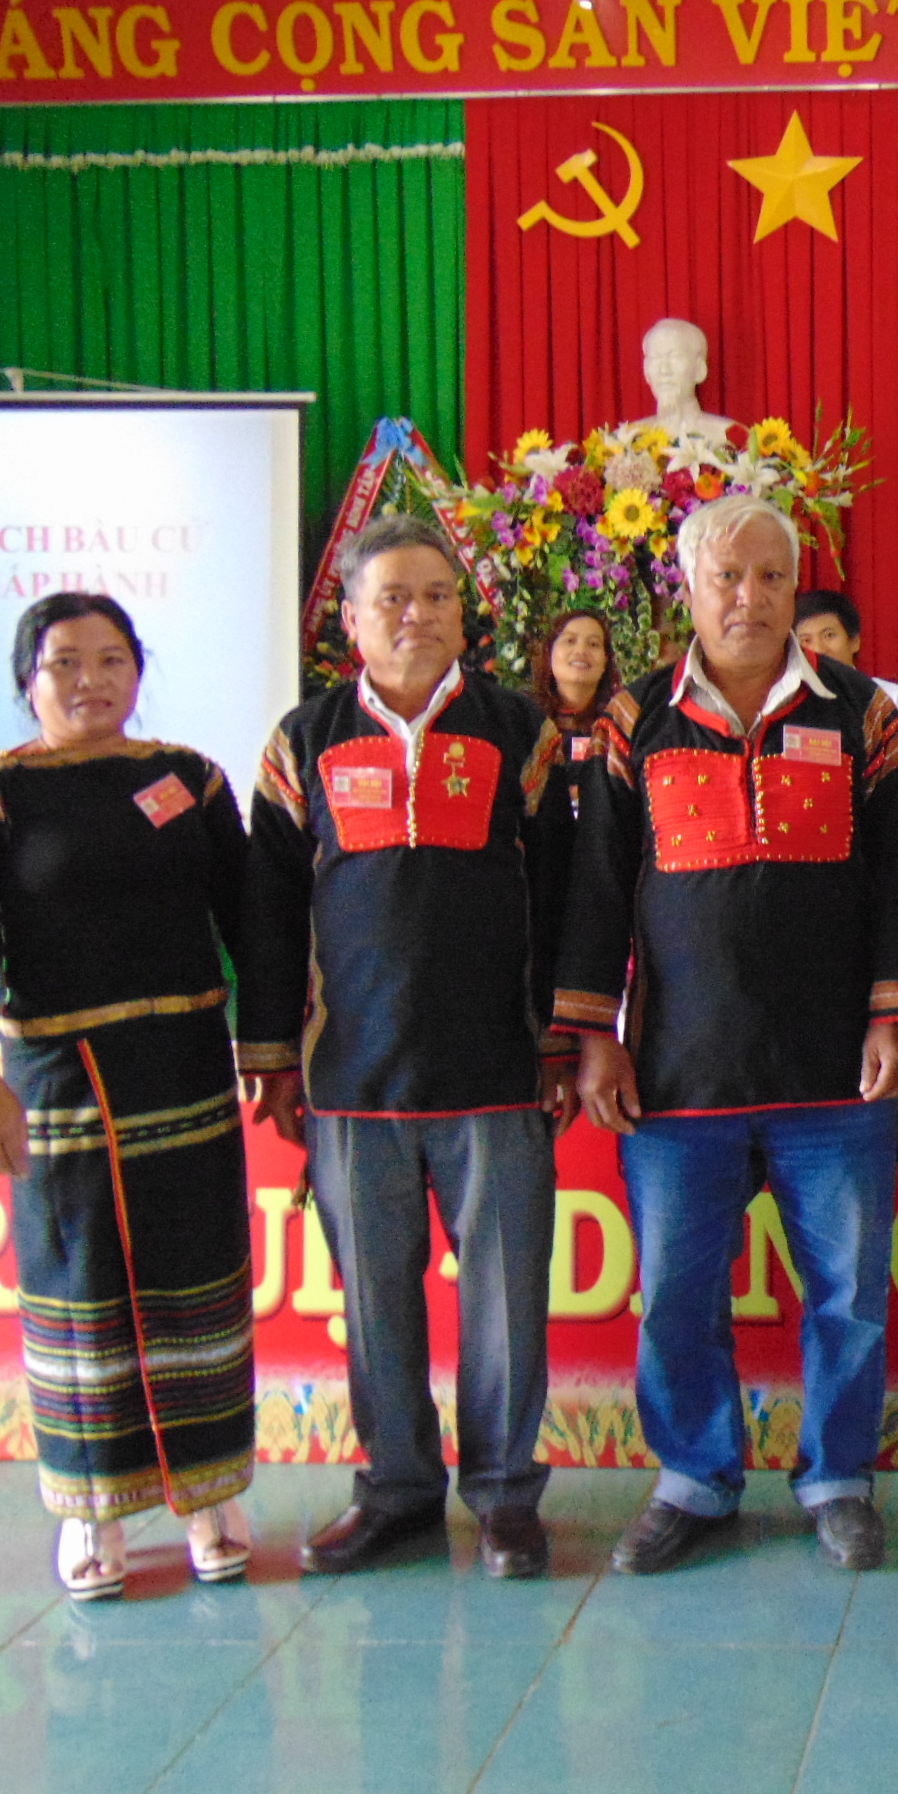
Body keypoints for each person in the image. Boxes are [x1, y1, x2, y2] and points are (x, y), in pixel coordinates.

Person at [560, 496, 898, 1575]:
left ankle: (837, 1479)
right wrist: (595, 1037)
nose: (751, 597)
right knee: (678, 1297)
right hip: (679, 1075)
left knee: (848, 1298)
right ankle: (694, 1477)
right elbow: (596, 893)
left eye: (772, 577)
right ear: (690, 588)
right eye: (727, 577)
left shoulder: (863, 715)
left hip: (835, 1074)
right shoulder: (634, 720)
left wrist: (895, 1015)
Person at [238, 517, 577, 1582]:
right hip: (354, 1080)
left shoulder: (520, 732)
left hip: (497, 1073)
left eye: (437, 595)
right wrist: (272, 1055)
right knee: (376, 1301)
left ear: (463, 614)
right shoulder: (303, 741)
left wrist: (563, 1041)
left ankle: (506, 1498)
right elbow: (266, 913)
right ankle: (395, 1490)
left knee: (507, 1302)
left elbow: (564, 894)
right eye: (392, 597)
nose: (417, 615)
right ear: (350, 619)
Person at [0, 593, 256, 1601]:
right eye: (65, 662)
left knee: (197, 1273)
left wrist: (278, 1040)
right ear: (28, 679)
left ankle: (210, 1498)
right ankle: (91, 1508)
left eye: (112, 659)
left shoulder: (189, 779)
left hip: (185, 1068)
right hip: (60, 1079)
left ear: (137, 671)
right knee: (79, 1281)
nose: (90, 680)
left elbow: (249, 916)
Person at [794, 588, 898, 746]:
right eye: (806, 641)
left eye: (829, 635)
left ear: (854, 642)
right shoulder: (786, 703)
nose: (818, 649)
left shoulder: (893, 700)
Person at [533, 608, 623, 804]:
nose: (581, 651)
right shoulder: (525, 718)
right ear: (550, 652)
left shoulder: (620, 723)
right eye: (570, 641)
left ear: (606, 661)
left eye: (593, 644)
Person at [615, 317, 737, 445]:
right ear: (646, 370)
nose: (664, 370)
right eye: (655, 358)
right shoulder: (624, 442)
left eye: (675, 357)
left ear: (700, 369)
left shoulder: (728, 435)